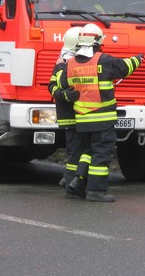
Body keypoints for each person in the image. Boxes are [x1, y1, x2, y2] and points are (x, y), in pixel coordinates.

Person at [62, 23, 143, 202]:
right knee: (101, 156)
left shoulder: (71, 63)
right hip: (102, 119)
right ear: (97, 41)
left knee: (87, 152)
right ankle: (96, 191)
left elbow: (63, 86)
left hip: (82, 119)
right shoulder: (103, 60)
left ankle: (75, 184)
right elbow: (124, 67)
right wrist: (139, 58)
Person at [48, 27, 88, 197]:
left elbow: (52, 86)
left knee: (76, 150)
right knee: (77, 150)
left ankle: (69, 178)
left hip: (75, 115)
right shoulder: (66, 64)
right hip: (74, 116)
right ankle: (72, 182)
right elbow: (53, 86)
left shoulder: (62, 61)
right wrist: (64, 94)